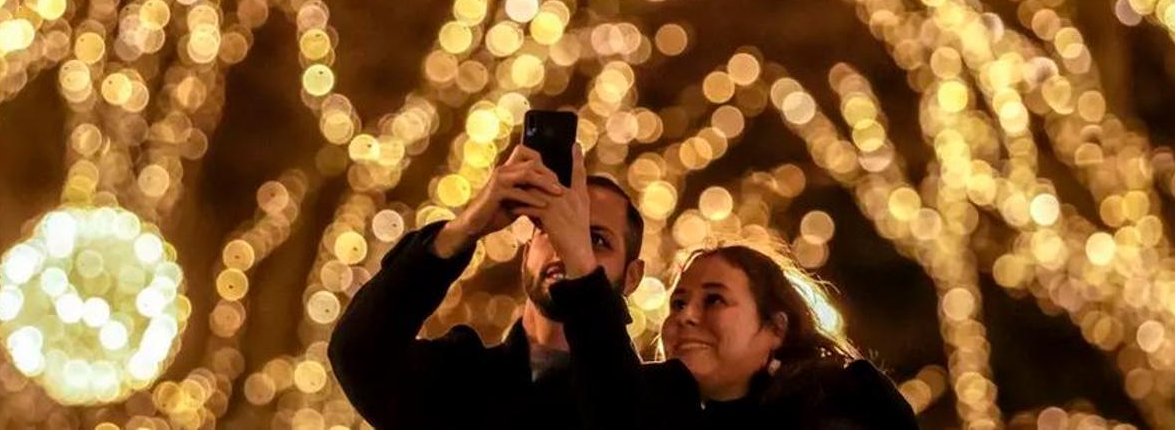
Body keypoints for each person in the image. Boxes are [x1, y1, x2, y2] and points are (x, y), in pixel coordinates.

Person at [328, 143, 685, 430]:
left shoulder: (661, 395)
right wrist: (464, 229)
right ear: (527, 249)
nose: (566, 244)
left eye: (597, 239)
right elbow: (358, 353)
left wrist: (581, 266)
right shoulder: (459, 379)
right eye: (553, 229)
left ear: (633, 276)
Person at [654, 245, 919, 429]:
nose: (685, 315)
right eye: (677, 303)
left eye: (714, 299)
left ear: (777, 329)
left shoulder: (839, 411)